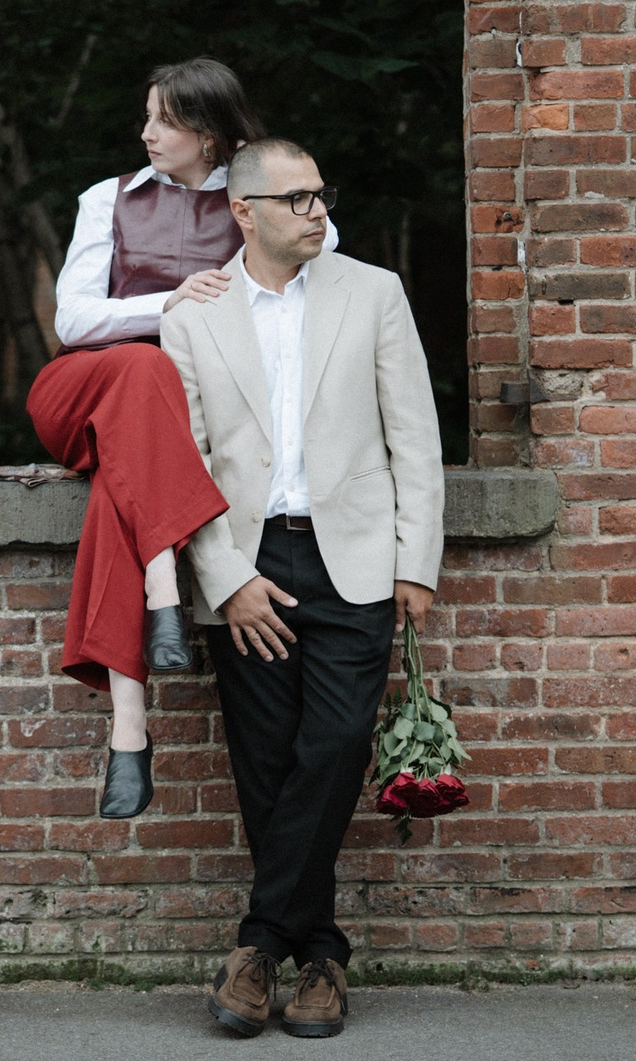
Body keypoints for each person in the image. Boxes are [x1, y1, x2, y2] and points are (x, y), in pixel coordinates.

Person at [160, 136, 445, 1040]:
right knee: (266, 763)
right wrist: (227, 576)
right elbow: (190, 462)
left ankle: (256, 941)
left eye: (322, 194)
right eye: (298, 199)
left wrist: (415, 562)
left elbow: (416, 436)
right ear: (244, 211)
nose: (318, 211)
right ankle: (318, 954)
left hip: (353, 559)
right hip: (248, 565)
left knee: (331, 747)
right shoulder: (193, 317)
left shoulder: (374, 292)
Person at [25, 58, 337, 820]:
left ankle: (128, 730)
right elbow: (71, 321)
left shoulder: (263, 200)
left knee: (118, 496)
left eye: (162, 120)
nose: (146, 133)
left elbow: (324, 289)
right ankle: (161, 588)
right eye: (146, 116)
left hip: (183, 426)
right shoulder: (110, 200)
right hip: (85, 391)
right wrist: (175, 303)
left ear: (207, 133)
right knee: (142, 368)